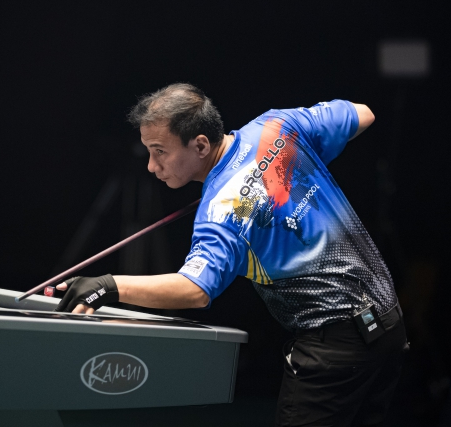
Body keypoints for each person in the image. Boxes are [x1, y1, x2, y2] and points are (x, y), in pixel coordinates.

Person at [55, 83, 408, 427]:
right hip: (389, 324)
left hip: (334, 349)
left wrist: (108, 285)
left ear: (200, 144)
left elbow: (195, 289)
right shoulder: (277, 126)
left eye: (159, 151)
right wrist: (297, 159)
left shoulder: (224, 210)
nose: (151, 165)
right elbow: (363, 114)